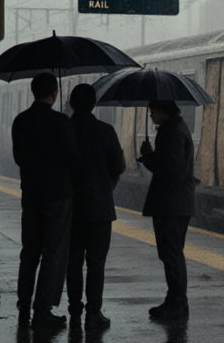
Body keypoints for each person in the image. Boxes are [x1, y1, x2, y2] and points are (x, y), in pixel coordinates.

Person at [12, 73, 78, 330]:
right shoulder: (61, 121)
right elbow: (72, 158)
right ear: (54, 92)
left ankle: (23, 306)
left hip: (31, 194)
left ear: (33, 91)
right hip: (57, 196)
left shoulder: (21, 120)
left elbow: (18, 158)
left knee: (29, 252)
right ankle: (42, 311)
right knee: (53, 253)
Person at [66, 84, 125, 329]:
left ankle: (74, 309)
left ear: (71, 104)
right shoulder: (106, 131)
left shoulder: (65, 129)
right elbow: (119, 166)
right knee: (96, 262)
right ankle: (93, 313)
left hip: (69, 207)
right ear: (93, 104)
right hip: (99, 208)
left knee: (73, 262)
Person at [138, 100, 197, 321]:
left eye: (152, 110)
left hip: (171, 203)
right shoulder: (174, 129)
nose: (150, 114)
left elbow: (172, 170)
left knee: (171, 254)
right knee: (172, 253)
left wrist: (149, 156)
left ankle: (176, 303)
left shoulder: (173, 133)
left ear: (164, 110)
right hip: (175, 202)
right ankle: (177, 301)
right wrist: (150, 156)